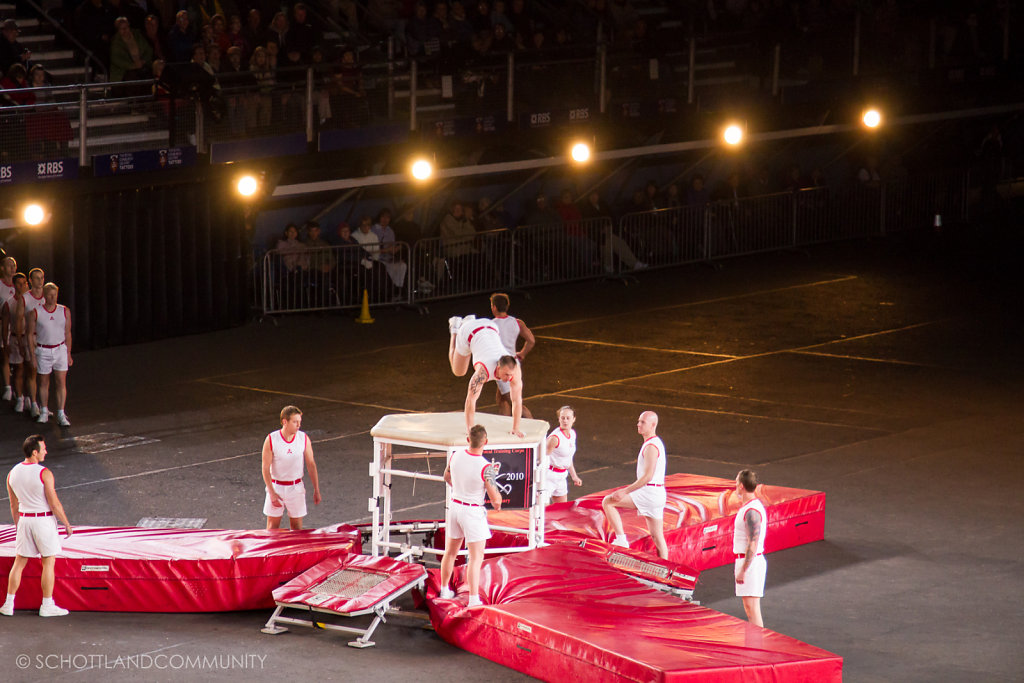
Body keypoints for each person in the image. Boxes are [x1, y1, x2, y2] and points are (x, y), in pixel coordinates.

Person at [2, 435, 73, 617]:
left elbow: (13, 505)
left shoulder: (12, 473)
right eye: (43, 448)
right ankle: (47, 605)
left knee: (19, 562)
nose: (46, 451)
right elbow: (54, 503)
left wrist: (19, 525)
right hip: (43, 521)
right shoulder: (44, 473)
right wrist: (66, 523)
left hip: (25, 520)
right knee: (48, 562)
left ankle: (8, 604)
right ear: (35, 452)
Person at [438, 424, 502, 607]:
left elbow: (446, 477)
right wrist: (497, 501)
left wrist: (461, 489)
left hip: (455, 506)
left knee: (450, 552)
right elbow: (495, 499)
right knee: (475, 558)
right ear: (486, 442)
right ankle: (473, 599)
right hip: (472, 511)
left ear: (468, 439)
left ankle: (444, 590)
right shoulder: (486, 467)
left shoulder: (455, 455)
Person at [601, 410, 668, 559]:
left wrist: (625, 491)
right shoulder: (654, 443)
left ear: (653, 425)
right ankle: (665, 570)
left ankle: (621, 540)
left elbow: (648, 476)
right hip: (657, 494)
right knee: (658, 537)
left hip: (649, 493)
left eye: (642, 422)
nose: (638, 424)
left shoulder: (651, 446)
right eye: (639, 421)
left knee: (608, 502)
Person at [447, 314, 524, 436]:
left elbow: (517, 400)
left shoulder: (515, 370)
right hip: (469, 333)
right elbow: (470, 401)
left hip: (491, 327)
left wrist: (516, 428)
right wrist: (470, 430)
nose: (509, 379)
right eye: (506, 375)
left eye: (510, 375)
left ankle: (470, 320)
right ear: (498, 368)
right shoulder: (482, 373)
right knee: (459, 371)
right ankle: (455, 329)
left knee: (515, 393)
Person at [261, 405, 322, 530]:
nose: (298, 425)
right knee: (272, 528)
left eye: (299, 421)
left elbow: (311, 464)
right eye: (295, 422)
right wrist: (272, 493)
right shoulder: (272, 439)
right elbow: (265, 468)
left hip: (295, 487)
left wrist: (316, 489)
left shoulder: (303, 438)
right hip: (276, 486)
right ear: (285, 422)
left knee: (297, 528)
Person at [26, 283, 72, 426]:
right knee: (44, 382)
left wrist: (68, 353)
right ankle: (44, 411)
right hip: (43, 350)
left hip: (60, 350)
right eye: (50, 295)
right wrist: (32, 356)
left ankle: (61, 413)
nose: (52, 298)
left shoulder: (64, 311)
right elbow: (29, 335)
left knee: (60, 382)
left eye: (54, 295)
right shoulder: (36, 312)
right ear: (44, 295)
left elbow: (68, 333)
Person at [488, 292, 534, 418]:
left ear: (494, 307)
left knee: (514, 402)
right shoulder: (517, 322)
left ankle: (533, 427)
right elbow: (531, 340)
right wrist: (522, 353)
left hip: (503, 367)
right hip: (514, 363)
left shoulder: (491, 325)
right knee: (502, 399)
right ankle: (506, 429)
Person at [733, 469, 766, 627]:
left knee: (752, 610)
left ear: (741, 486)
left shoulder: (751, 510)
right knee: (750, 609)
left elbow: (752, 543)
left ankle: (758, 647)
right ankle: (756, 645)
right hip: (749, 562)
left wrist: (743, 569)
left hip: (750, 564)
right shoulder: (750, 507)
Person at [14, 268, 47, 419]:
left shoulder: (48, 296)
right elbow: (19, 320)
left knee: (44, 373)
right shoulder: (25, 299)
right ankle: (34, 403)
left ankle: (43, 405)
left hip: (44, 338)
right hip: (30, 337)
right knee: (32, 370)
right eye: (37, 278)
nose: (40, 281)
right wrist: (20, 340)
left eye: (42, 278)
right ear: (31, 281)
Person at [2, 273, 28, 412]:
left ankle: (31, 400)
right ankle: (19, 398)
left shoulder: (31, 301)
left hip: (29, 338)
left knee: (31, 370)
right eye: (19, 283)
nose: (22, 286)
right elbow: (5, 326)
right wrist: (5, 344)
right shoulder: (9, 303)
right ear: (14, 285)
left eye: (24, 283)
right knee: (18, 369)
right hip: (14, 339)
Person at [545, 406, 582, 504]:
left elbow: (568, 458)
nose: (565, 421)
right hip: (548, 476)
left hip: (561, 476)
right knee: (542, 511)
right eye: (563, 418)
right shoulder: (555, 438)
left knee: (561, 509)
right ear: (559, 419)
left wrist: (574, 476)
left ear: (573, 419)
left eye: (568, 418)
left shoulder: (572, 434)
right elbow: (541, 458)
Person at [0, 255, 16, 401]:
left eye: (14, 265)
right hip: (2, 324)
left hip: (16, 326)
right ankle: (7, 387)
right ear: (3, 268)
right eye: (9, 265)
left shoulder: (19, 285)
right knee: (4, 354)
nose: (13, 268)